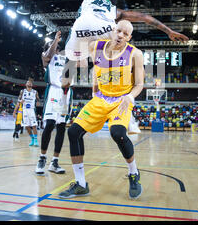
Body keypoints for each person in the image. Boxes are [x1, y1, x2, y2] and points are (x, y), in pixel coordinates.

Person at [62, 0, 189, 134]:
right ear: (113, 4)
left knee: (71, 65)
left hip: (80, 29)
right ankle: (128, 116)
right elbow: (146, 17)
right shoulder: (117, 12)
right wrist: (168, 30)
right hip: (104, 30)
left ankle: (67, 83)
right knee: (118, 53)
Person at [58, 19, 144, 200]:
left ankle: (133, 173)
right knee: (73, 132)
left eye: (125, 34)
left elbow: (139, 84)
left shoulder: (135, 54)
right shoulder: (95, 46)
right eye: (118, 31)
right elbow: (94, 67)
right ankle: (81, 184)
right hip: (100, 99)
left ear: (129, 37)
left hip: (121, 100)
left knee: (118, 133)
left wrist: (130, 97)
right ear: (113, 30)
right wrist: (94, 89)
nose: (120, 35)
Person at [35, 31, 71, 175]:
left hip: (64, 94)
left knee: (61, 127)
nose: (54, 46)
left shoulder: (65, 57)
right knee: (49, 124)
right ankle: (42, 158)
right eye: (51, 44)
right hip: (53, 92)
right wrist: (55, 40)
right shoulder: (46, 57)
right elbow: (49, 54)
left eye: (55, 44)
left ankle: (54, 162)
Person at [17, 78, 41, 147]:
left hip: (31, 110)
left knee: (34, 125)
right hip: (25, 110)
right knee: (27, 126)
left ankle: (36, 140)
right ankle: (32, 138)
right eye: (28, 82)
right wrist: (20, 101)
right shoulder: (22, 91)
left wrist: (38, 102)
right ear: (26, 84)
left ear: (32, 85)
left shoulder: (35, 92)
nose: (29, 83)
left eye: (30, 83)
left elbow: (38, 99)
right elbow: (18, 99)